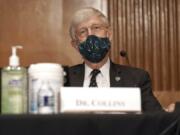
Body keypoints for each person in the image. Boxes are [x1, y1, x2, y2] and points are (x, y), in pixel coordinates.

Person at [67, 7, 163, 112]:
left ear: (109, 35)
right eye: (82, 32)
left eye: (96, 28)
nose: (91, 35)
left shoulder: (136, 79)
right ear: (76, 45)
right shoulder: (65, 80)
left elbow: (158, 119)